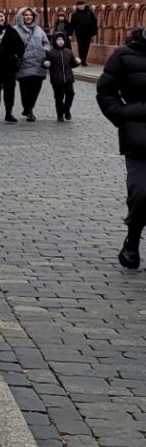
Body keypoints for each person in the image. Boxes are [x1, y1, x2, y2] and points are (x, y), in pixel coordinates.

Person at [95, 26, 146, 267]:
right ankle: (132, 240)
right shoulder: (124, 55)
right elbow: (105, 90)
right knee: (141, 193)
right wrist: (122, 115)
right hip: (139, 138)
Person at [13, 7, 51, 122]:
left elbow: (46, 42)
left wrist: (44, 50)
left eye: (30, 15)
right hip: (23, 64)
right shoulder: (15, 30)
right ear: (21, 17)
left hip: (38, 63)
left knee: (36, 88)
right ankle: (28, 110)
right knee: (25, 89)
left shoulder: (39, 30)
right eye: (26, 15)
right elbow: (12, 45)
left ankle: (29, 107)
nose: (28, 17)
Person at [46, 28, 78, 122]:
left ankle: (66, 109)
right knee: (59, 97)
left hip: (68, 78)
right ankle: (60, 114)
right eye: (58, 40)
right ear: (54, 41)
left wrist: (77, 62)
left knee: (70, 94)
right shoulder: (51, 53)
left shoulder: (68, 52)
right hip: (57, 80)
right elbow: (45, 63)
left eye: (62, 40)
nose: (60, 42)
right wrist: (45, 64)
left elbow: (72, 64)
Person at [72, 1, 99, 70]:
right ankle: (82, 59)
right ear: (77, 6)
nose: (81, 6)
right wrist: (70, 33)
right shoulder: (75, 14)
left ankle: (84, 58)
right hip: (79, 34)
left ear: (84, 5)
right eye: (79, 5)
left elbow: (94, 22)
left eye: (82, 5)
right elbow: (72, 25)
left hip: (88, 33)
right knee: (81, 46)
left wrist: (94, 32)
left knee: (86, 46)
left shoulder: (89, 13)